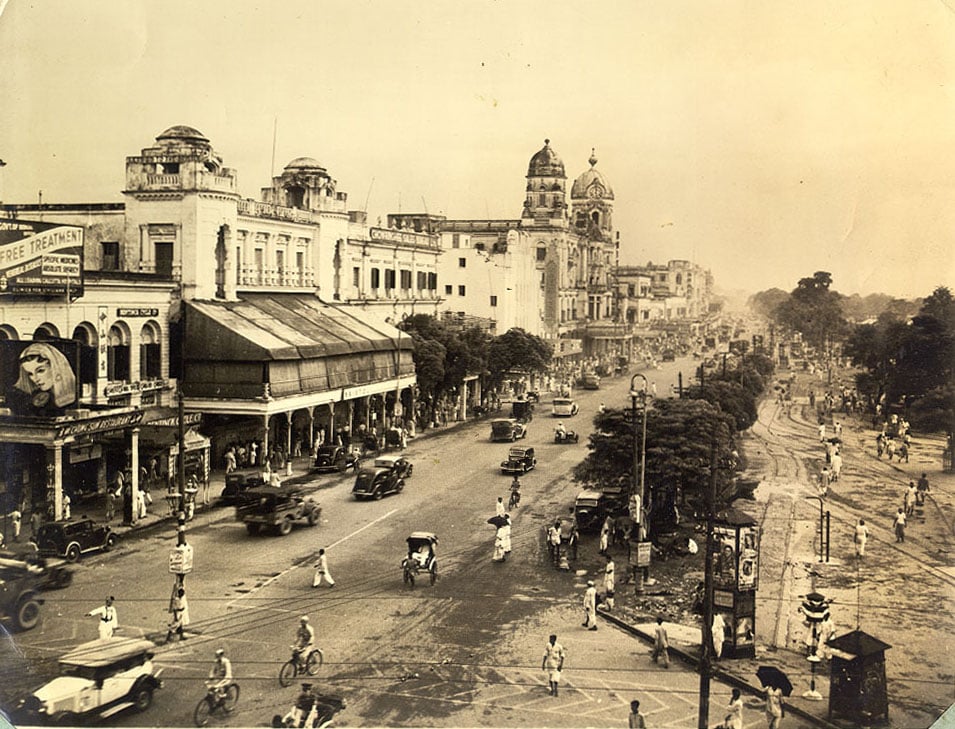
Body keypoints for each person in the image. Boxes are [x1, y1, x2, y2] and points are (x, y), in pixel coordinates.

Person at [9, 342, 77, 415]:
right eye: (30, 374)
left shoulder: (74, 397)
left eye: (40, 371)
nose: (35, 379)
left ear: (55, 368)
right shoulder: (34, 398)